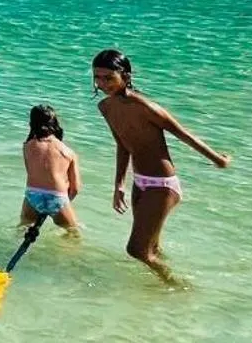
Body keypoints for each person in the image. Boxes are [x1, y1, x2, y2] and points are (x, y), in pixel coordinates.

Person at [91, 48, 231, 278]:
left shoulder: (145, 107)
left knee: (136, 250)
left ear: (125, 76)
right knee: (151, 248)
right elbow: (123, 145)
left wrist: (218, 160)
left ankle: (178, 286)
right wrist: (119, 184)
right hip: (141, 182)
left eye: (109, 77)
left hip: (162, 184)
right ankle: (162, 294)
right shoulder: (105, 107)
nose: (103, 83)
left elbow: (183, 134)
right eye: (97, 77)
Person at [21, 102, 81, 235]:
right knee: (73, 234)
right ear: (55, 123)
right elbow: (76, 188)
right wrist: (62, 204)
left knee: (23, 228)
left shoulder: (27, 147)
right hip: (57, 197)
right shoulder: (68, 152)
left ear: (32, 123)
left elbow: (31, 173)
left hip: (33, 195)